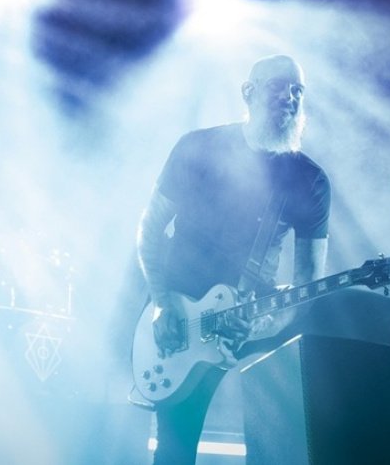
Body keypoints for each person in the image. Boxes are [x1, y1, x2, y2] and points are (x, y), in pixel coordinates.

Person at [136, 54, 330, 465]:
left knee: (286, 441)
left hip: (253, 320)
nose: (290, 97)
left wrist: (261, 324)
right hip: (183, 320)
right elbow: (150, 229)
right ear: (248, 92)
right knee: (175, 450)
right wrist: (162, 303)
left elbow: (308, 287)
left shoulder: (310, 181)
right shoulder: (197, 147)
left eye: (298, 90)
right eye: (278, 86)